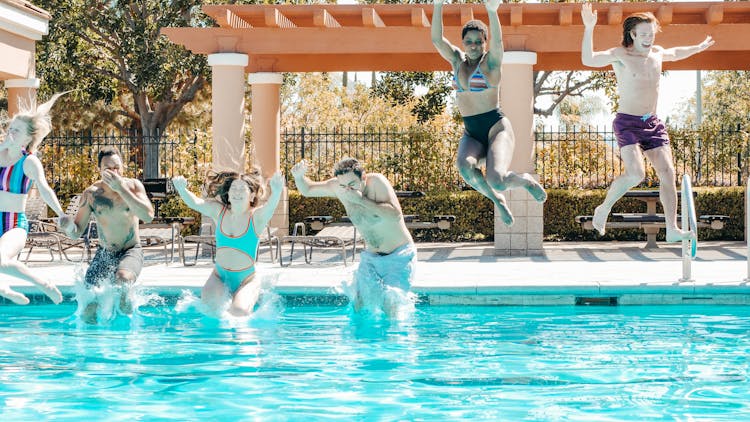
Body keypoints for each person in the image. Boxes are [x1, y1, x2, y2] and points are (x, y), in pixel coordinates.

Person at [581, 3, 714, 241]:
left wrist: (698, 47)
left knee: (667, 171)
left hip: (652, 123)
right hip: (627, 123)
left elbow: (676, 52)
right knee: (635, 174)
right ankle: (604, 207)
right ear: (632, 34)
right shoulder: (621, 55)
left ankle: (672, 229)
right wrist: (589, 28)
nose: (648, 39)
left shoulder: (658, 53)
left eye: (651, 34)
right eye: (643, 35)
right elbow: (588, 59)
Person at [431, 0, 546, 226]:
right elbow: (437, 40)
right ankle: (498, 201)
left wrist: (493, 11)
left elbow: (499, 43)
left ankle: (524, 181)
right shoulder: (457, 62)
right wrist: (437, 6)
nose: (473, 45)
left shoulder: (490, 64)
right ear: (463, 43)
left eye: (478, 41)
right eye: (468, 41)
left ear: (485, 43)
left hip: (496, 128)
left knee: (498, 180)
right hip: (472, 133)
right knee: (464, 168)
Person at [291, 158, 416, 317]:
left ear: (363, 177)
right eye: (343, 186)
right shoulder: (339, 188)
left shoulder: (377, 183)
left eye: (352, 185)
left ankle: (394, 341)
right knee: (358, 303)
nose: (348, 190)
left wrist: (361, 200)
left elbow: (395, 215)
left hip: (399, 256)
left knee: (389, 304)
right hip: (371, 258)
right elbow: (307, 190)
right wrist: (299, 177)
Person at [59, 146, 154, 323]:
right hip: (105, 254)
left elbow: (148, 216)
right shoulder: (92, 194)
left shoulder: (133, 186)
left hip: (130, 250)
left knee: (123, 280)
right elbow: (76, 232)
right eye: (108, 169)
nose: (114, 172)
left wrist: (121, 189)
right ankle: (94, 344)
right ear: (100, 170)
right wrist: (67, 226)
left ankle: (127, 326)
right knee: (88, 309)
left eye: (117, 167)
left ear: (123, 167)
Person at [171, 167, 283, 317]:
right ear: (228, 195)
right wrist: (182, 190)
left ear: (251, 196)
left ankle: (249, 296)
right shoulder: (219, 212)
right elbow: (196, 203)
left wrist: (276, 192)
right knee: (211, 311)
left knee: (239, 313)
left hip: (246, 280)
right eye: (234, 189)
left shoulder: (256, 217)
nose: (237, 192)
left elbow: (270, 208)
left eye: (242, 189)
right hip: (220, 276)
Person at [0, 94, 66, 305]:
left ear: (28, 138)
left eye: (16, 130)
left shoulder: (29, 162)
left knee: (0, 260)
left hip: (13, 224)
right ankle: (4, 288)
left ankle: (42, 283)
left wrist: (62, 214)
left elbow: (45, 190)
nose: (10, 133)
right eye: (10, 129)